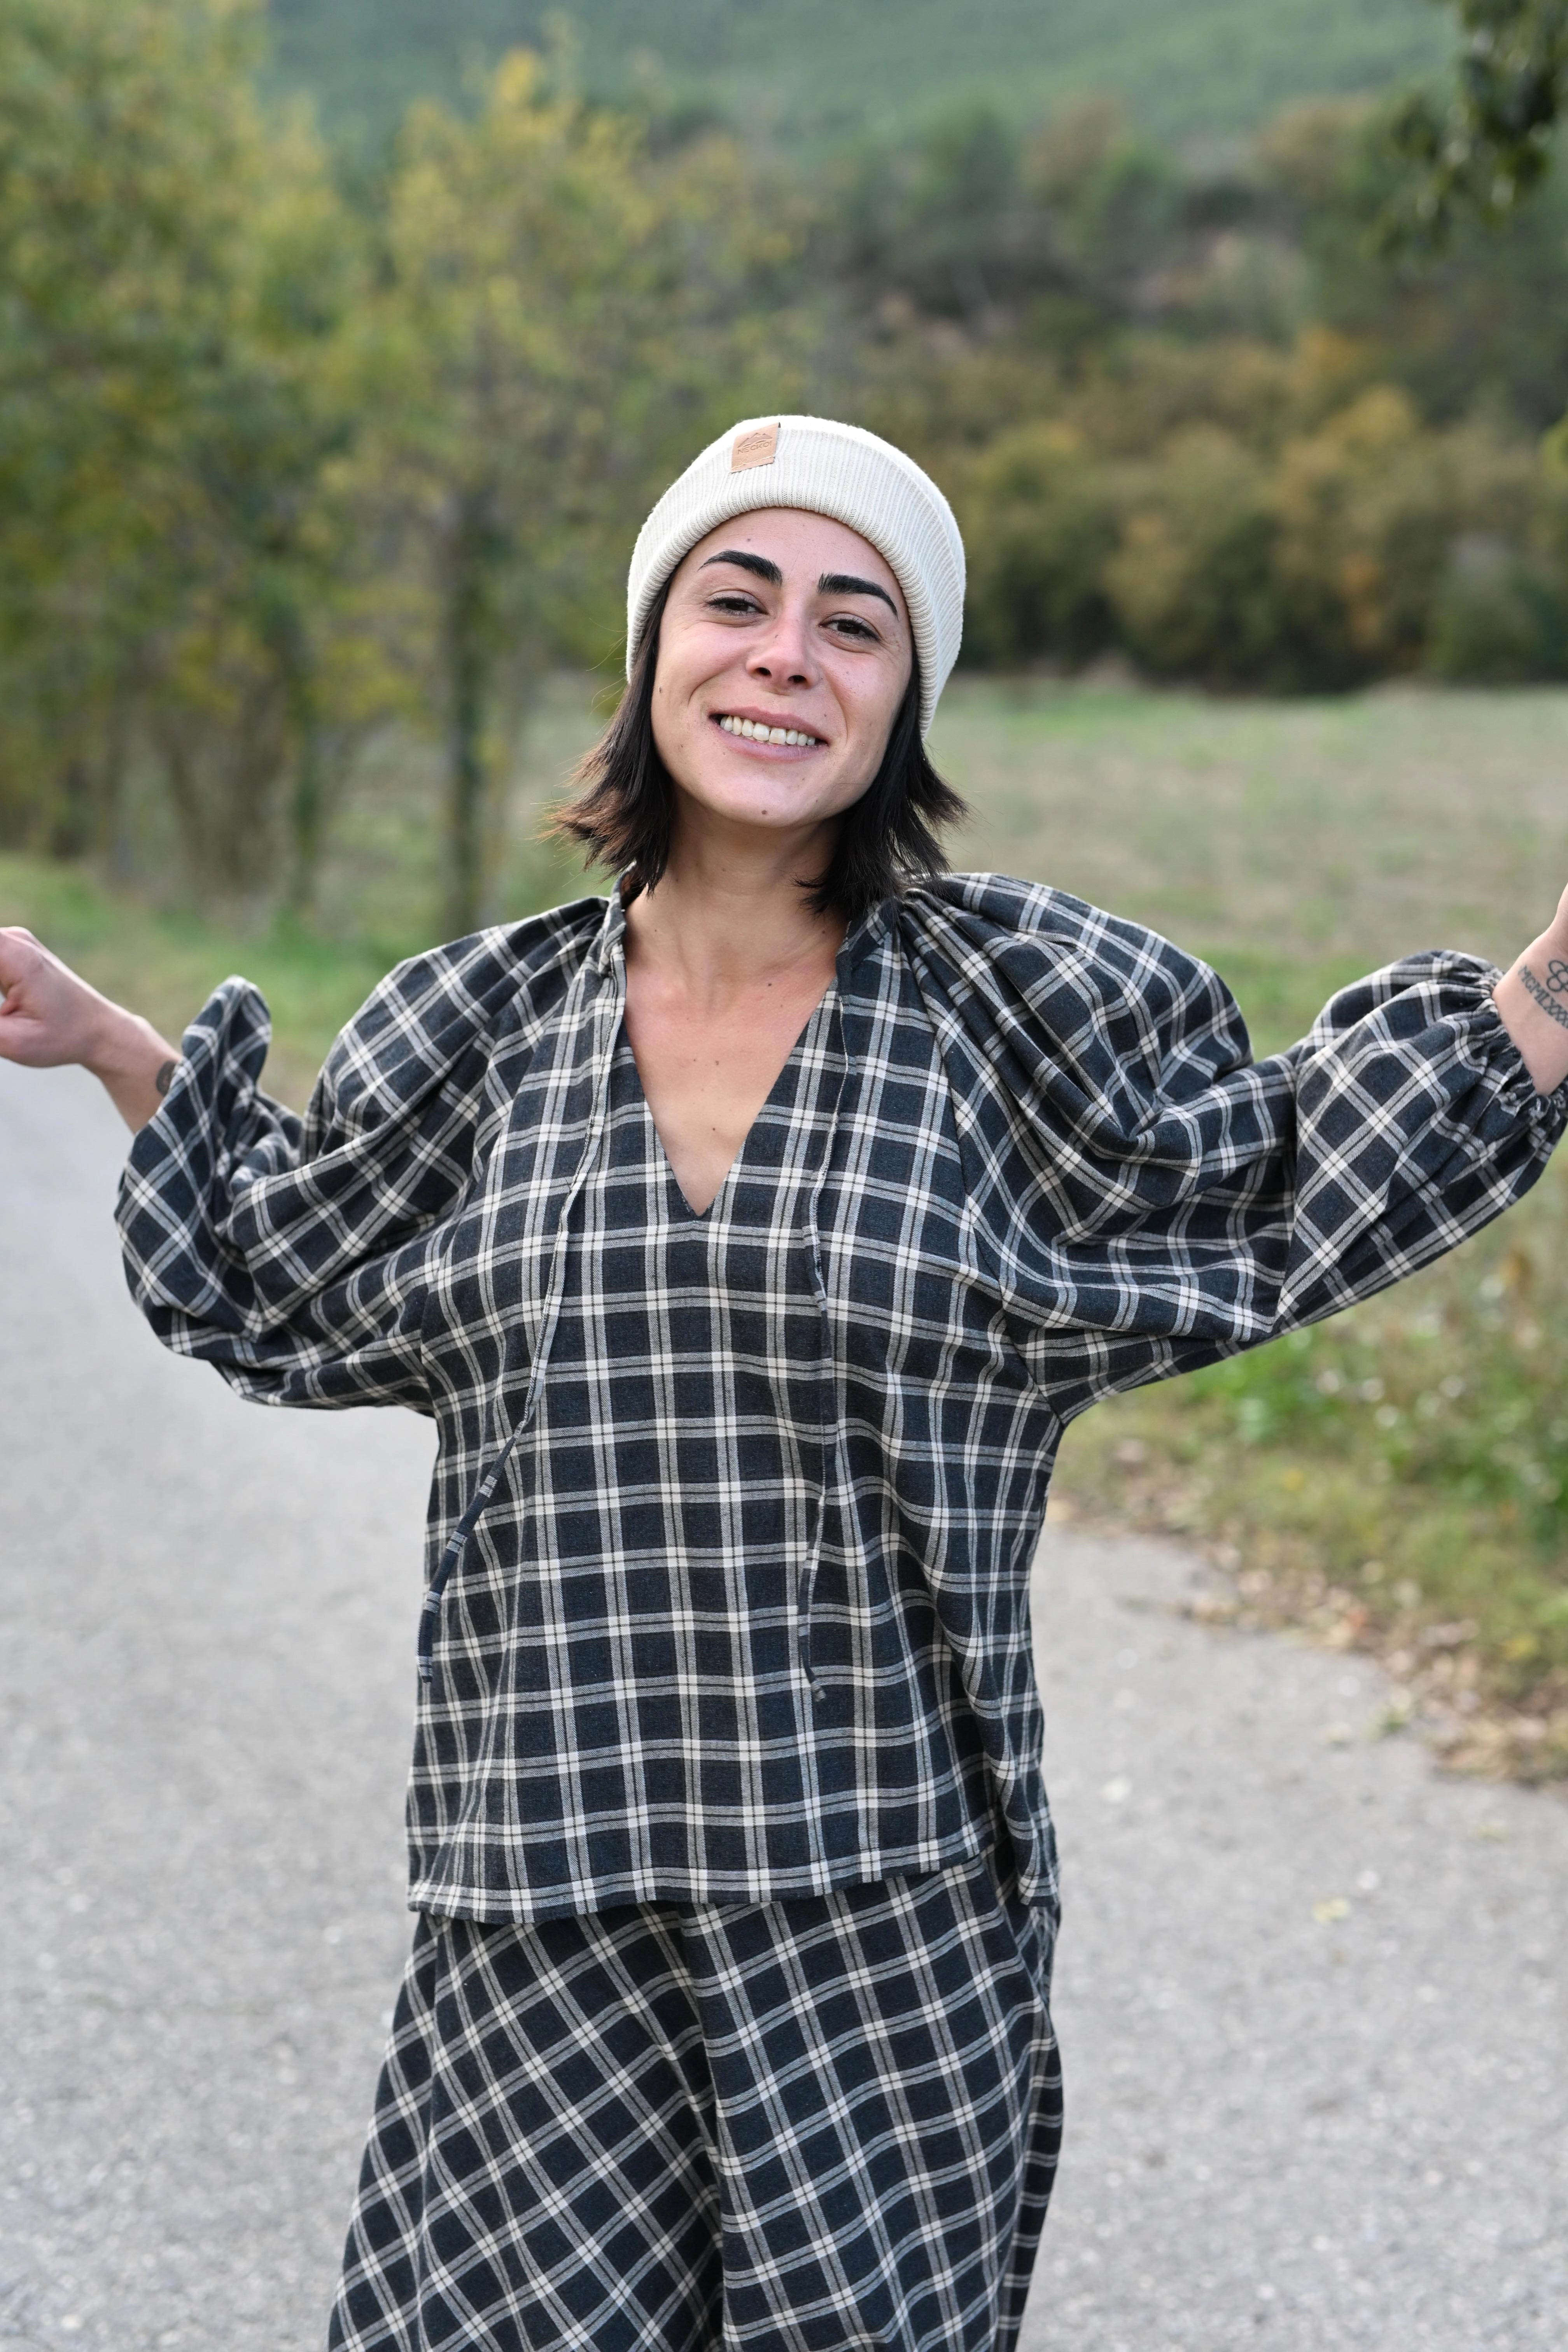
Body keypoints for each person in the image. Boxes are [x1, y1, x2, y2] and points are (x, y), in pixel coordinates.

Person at [2, 413, 1566, 2352]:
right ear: (655, 647)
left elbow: (1293, 1171)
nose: (783, 656)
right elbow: (290, 1254)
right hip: (533, 1912)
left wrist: (1559, 983)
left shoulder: (1019, 1016)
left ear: (905, 700)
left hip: (883, 1925)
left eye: (854, 624)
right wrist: (111, 1049)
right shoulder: (476, 1028)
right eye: (736, 601)